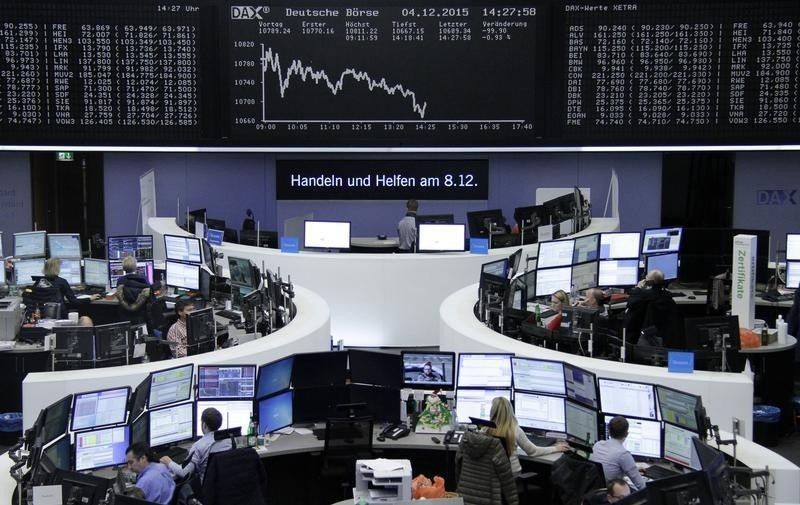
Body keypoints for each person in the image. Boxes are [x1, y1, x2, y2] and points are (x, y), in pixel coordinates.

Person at [485, 397, 570, 476]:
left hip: (490, 477)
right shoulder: (515, 430)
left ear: (492, 411)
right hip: (512, 476)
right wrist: (556, 448)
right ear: (510, 411)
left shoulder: (484, 430)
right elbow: (533, 451)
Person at [161, 407, 231, 483]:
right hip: (225, 484)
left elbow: (184, 473)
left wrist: (169, 462)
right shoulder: (229, 441)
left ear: (204, 424)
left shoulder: (198, 446)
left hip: (207, 487)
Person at [624, 269, 680, 347]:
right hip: (664, 335)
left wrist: (638, 287)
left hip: (645, 332)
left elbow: (630, 303)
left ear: (649, 282)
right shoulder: (667, 295)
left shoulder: (644, 295)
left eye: (646, 277)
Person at [590, 416, 646, 491]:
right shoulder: (623, 454)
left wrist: (633, 469)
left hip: (596, 490)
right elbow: (641, 485)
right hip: (613, 492)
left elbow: (608, 469)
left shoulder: (597, 445)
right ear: (626, 434)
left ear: (609, 432)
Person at [115, 255, 152, 325]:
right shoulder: (144, 279)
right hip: (140, 318)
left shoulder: (120, 281)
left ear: (123, 268)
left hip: (125, 318)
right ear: (136, 267)